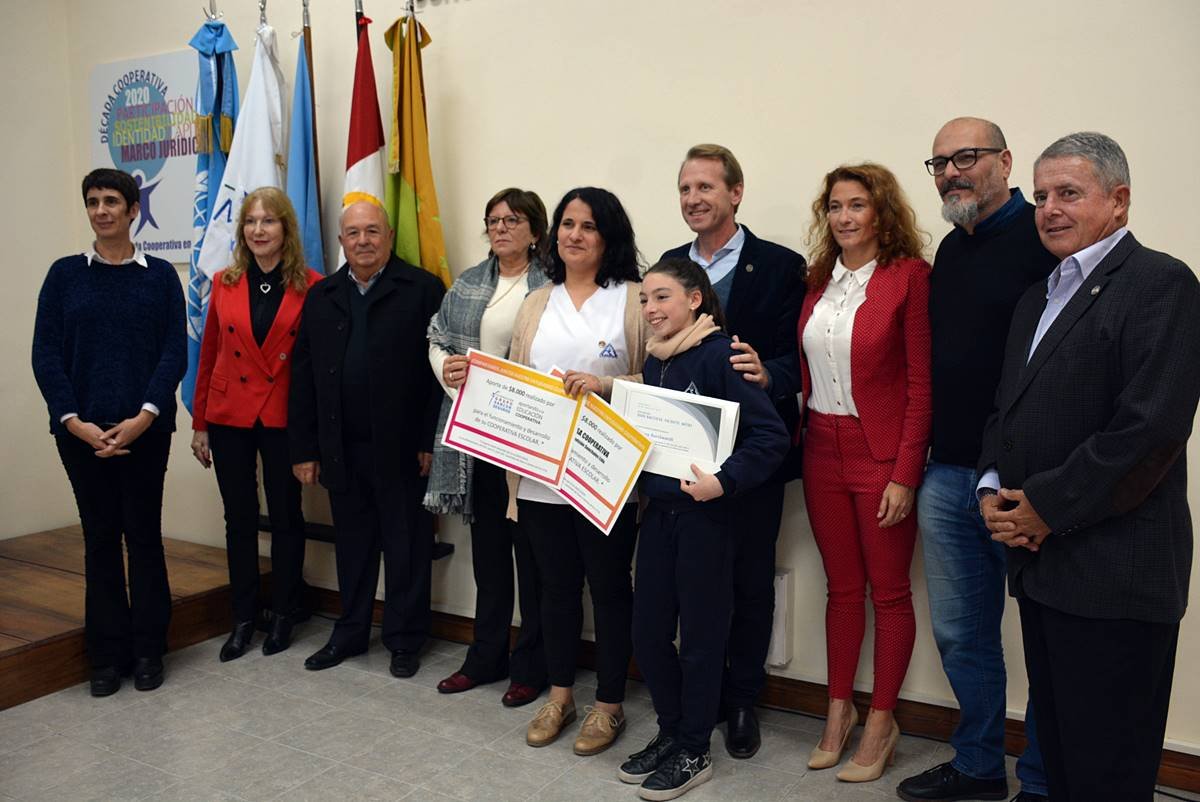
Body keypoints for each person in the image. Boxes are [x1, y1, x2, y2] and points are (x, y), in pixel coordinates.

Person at [978, 132, 1200, 802]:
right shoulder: (1038, 297)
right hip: (1043, 568)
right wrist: (990, 488)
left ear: (1119, 200)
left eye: (1069, 193)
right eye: (1043, 195)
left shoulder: (1161, 284)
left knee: (1108, 770)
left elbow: (1149, 429)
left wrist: (1043, 507)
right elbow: (1005, 410)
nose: (1049, 208)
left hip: (1116, 572)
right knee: (1064, 760)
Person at [899, 117, 1053, 802]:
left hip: (1027, 481)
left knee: (1048, 638)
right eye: (940, 163)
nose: (951, 173)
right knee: (962, 635)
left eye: (966, 157)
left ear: (1006, 162)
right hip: (949, 471)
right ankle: (980, 766)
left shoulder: (1044, 238)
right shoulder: (953, 250)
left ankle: (1044, 780)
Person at [620, 258, 789, 800]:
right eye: (644, 300)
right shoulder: (655, 360)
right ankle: (672, 732)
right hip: (659, 516)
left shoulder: (721, 356)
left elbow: (771, 438)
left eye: (662, 297)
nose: (650, 309)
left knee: (700, 639)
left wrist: (724, 481)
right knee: (647, 633)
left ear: (695, 300)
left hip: (707, 522)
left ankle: (695, 748)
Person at [660, 144, 805, 759]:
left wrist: (770, 374)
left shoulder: (779, 266)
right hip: (683, 462)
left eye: (706, 187)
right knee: (693, 586)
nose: (694, 199)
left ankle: (742, 698)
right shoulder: (669, 266)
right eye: (685, 189)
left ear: (735, 193)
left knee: (749, 580)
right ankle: (701, 696)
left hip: (753, 458)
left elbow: (799, 356)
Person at [797, 164, 930, 783]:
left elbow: (921, 385)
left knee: (890, 591)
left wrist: (906, 474)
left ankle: (881, 721)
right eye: (835, 206)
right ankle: (838, 711)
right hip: (820, 449)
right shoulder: (818, 280)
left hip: (880, 453)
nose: (844, 217)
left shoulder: (909, 278)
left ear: (881, 213)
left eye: (857, 204)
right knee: (842, 590)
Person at [32, 168, 186, 696]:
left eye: (112, 201)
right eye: (93, 201)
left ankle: (148, 650)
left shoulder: (159, 276)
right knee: (99, 540)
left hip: (146, 431)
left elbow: (174, 352)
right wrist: (73, 420)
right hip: (81, 436)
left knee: (143, 537)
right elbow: (45, 353)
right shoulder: (64, 275)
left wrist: (144, 416)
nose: (101, 210)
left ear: (133, 210)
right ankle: (105, 655)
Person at [508, 187, 647, 756]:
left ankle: (609, 705)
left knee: (610, 589)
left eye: (588, 226)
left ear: (608, 237)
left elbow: (662, 381)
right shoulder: (536, 301)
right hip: (541, 477)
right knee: (555, 590)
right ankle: (560, 695)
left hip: (606, 476)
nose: (574, 235)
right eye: (567, 224)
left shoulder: (634, 299)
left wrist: (607, 385)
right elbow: (514, 377)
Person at [288, 201, 445, 678]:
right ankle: (351, 631)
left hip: (403, 448)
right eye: (353, 233)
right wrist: (305, 449)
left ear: (389, 236)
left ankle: (404, 639)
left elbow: (436, 377)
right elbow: (303, 377)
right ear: (341, 241)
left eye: (372, 231)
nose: (363, 241)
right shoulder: (322, 295)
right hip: (342, 447)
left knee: (406, 546)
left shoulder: (422, 289)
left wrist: (429, 441)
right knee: (353, 546)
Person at [425, 188, 551, 706]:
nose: (500, 228)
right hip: (479, 438)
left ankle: (534, 664)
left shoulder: (552, 285)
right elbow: (437, 337)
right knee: (490, 556)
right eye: (493, 220)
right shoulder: (469, 283)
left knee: (534, 560)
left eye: (512, 220)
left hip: (532, 440)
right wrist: (446, 368)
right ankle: (486, 656)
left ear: (535, 231)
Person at [190, 187, 323, 662]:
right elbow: (208, 355)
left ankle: (285, 612)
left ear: (286, 228)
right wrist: (200, 422)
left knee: (287, 517)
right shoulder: (224, 282)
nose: (258, 230)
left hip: (283, 415)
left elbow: (314, 367)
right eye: (250, 221)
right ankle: (243, 616)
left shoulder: (312, 285)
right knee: (239, 519)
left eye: (269, 221)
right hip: (229, 415)